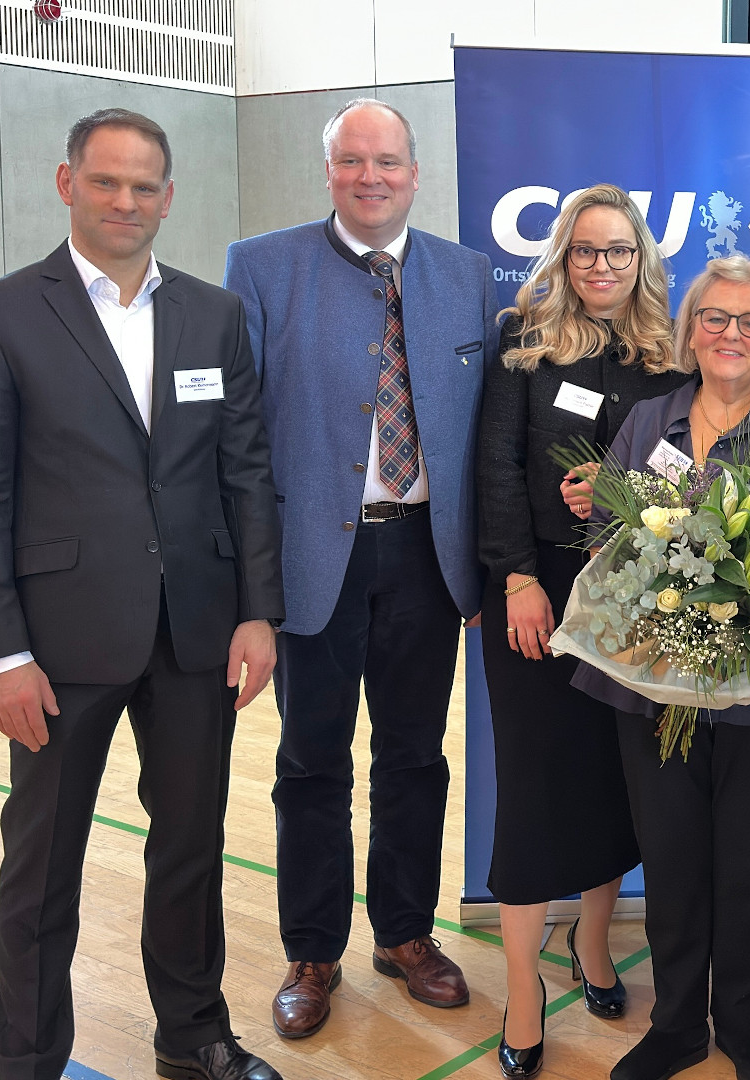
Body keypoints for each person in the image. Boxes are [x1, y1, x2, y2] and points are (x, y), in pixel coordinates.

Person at [0, 108, 284, 1080]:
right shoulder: (0, 312)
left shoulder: (214, 315)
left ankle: (194, 1035)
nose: (126, 201)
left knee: (190, 851)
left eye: (145, 186)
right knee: (42, 869)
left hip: (196, 636)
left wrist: (258, 608)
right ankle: (30, 1058)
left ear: (168, 198)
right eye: (107, 182)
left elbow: (245, 471)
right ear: (67, 185)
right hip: (58, 645)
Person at [223, 98, 493, 1037]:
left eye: (387, 162)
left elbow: (488, 430)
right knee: (309, 762)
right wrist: (251, 586)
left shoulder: (468, 276)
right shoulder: (262, 267)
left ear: (416, 174)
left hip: (426, 555)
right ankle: (312, 949)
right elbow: (241, 441)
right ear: (328, 170)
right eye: (351, 161)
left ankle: (405, 933)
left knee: (416, 757)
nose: (370, 177)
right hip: (312, 560)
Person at [568, 256, 750, 1080]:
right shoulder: (647, 420)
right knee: (675, 858)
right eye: (715, 318)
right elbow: (605, 548)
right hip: (652, 684)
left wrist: (739, 614)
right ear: (690, 330)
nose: (731, 334)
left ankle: (740, 1023)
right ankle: (677, 1026)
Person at [475, 184, 687, 1076]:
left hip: (634, 604)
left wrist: (623, 494)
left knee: (612, 784)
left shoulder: (668, 357)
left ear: (642, 261)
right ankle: (523, 992)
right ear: (562, 258)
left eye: (619, 252)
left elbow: (686, 474)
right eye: (585, 251)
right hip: (534, 597)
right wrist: (517, 577)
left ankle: (593, 946)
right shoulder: (521, 346)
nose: (602, 266)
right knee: (531, 791)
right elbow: (495, 466)